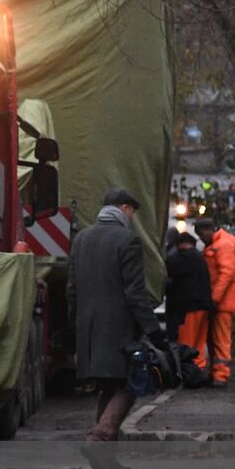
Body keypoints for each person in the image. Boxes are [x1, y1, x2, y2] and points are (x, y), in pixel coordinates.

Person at [68, 187, 162, 446]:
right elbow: (135, 293)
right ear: (123, 209)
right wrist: (154, 331)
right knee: (129, 385)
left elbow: (72, 289)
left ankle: (105, 459)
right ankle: (100, 437)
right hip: (118, 330)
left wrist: (73, 328)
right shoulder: (127, 240)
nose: (131, 217)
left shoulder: (82, 239)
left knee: (107, 388)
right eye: (131, 211)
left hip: (89, 330)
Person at [194, 218, 235, 386]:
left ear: (207, 230)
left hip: (222, 302)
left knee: (220, 340)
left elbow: (226, 274)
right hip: (220, 301)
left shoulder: (223, 245)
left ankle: (220, 375)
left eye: (200, 235)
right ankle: (216, 373)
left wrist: (214, 298)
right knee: (214, 340)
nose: (200, 239)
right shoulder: (218, 244)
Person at [165, 231, 212, 359]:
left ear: (181, 244)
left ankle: (188, 374)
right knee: (198, 346)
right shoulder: (199, 257)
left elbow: (169, 268)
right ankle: (198, 372)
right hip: (203, 306)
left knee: (186, 346)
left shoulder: (185, 258)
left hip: (190, 308)